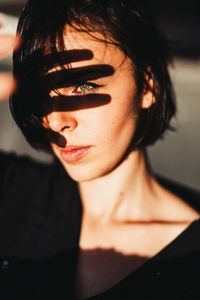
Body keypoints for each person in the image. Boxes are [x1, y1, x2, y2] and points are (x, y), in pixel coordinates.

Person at [0, 0, 200, 299]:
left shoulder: (190, 263)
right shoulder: (12, 192)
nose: (55, 120)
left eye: (83, 86)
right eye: (41, 91)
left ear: (147, 87)